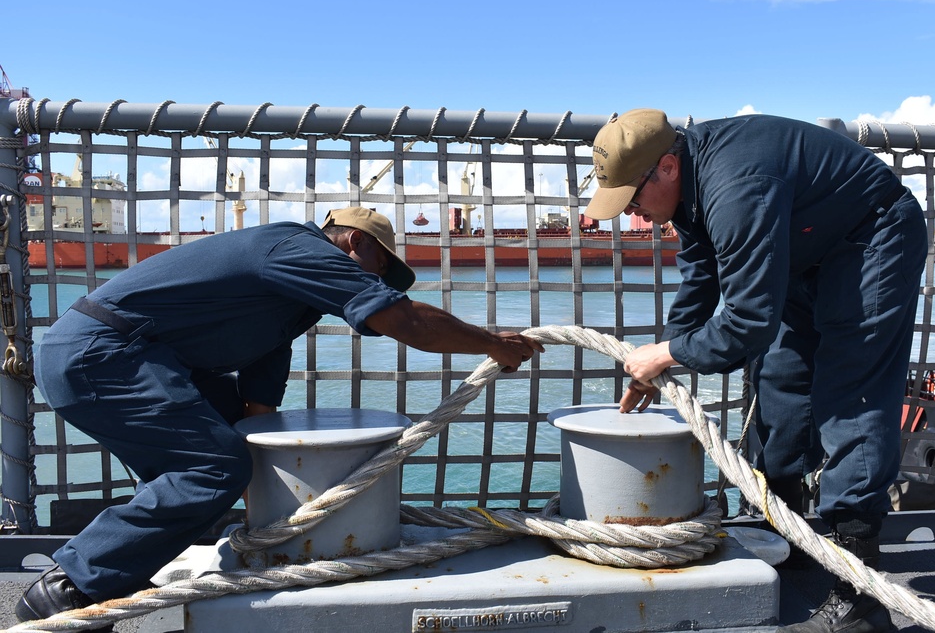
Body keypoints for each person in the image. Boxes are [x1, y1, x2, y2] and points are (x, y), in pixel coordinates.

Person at [18, 207, 544, 624]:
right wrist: (490, 342)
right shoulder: (295, 249)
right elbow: (406, 322)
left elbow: (258, 408)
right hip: (102, 353)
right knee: (212, 466)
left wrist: (262, 502)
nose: (379, 284)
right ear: (355, 242)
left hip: (136, 356)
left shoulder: (288, 305)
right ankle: (68, 584)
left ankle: (114, 574)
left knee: (230, 453)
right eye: (381, 270)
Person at [585, 109, 926, 633]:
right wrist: (660, 359)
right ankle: (788, 535)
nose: (631, 211)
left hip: (871, 239)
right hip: (803, 252)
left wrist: (665, 355)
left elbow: (747, 322)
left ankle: (861, 592)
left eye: (631, 197)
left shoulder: (736, 185)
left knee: (850, 396)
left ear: (668, 168)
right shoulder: (691, 185)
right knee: (780, 384)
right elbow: (701, 272)